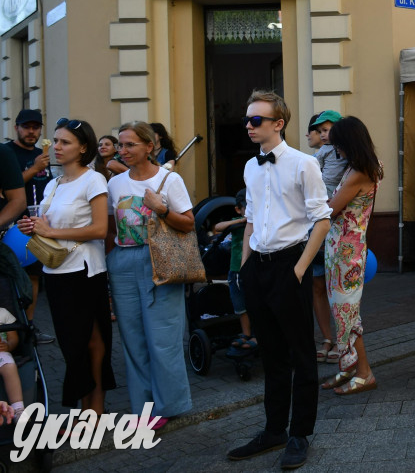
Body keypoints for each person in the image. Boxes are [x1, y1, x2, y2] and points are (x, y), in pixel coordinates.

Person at [227, 91, 331, 470]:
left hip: (291, 264)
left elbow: (322, 219)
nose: (250, 126)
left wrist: (301, 268)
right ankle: (274, 430)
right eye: (247, 121)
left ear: (278, 123)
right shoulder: (251, 168)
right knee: (271, 354)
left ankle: (299, 434)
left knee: (302, 353)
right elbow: (251, 217)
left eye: (256, 120)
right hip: (258, 267)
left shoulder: (304, 164)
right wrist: (244, 267)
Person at [17, 118, 114, 416]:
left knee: (91, 340)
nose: (56, 147)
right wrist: (32, 227)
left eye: (65, 142)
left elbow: (100, 229)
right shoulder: (53, 184)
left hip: (84, 271)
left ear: (83, 147)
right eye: (56, 141)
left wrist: (51, 233)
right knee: (72, 345)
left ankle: (94, 410)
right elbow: (48, 227)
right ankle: (85, 410)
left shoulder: (93, 179)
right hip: (54, 271)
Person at [106, 121, 194, 428]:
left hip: (159, 259)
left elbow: (188, 223)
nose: (123, 150)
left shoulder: (170, 180)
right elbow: (109, 229)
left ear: (149, 147)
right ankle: (142, 407)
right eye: (120, 144)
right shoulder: (115, 184)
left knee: (163, 335)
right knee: (132, 338)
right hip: (123, 261)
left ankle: (167, 405)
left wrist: (160, 209)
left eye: (130, 144)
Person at [319, 117, 381, 396]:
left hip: (347, 251)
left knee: (347, 314)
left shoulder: (360, 172)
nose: (336, 151)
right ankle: (348, 367)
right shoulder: (362, 167)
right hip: (340, 248)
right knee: (341, 311)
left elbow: (331, 209)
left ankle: (365, 372)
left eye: (338, 146)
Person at [5, 108, 55, 343]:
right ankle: (11, 326)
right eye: (27, 127)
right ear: (16, 128)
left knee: (34, 278)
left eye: (36, 127)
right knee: (12, 276)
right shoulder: (7, 153)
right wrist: (34, 169)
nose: (31, 131)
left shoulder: (42, 154)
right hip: (12, 226)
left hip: (38, 226)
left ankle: (30, 325)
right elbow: (9, 188)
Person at [311, 110, 345, 364]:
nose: (323, 135)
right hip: (317, 222)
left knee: (340, 289)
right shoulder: (320, 154)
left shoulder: (351, 155)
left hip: (341, 227)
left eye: (327, 129)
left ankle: (344, 341)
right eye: (320, 131)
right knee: (317, 285)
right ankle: (327, 338)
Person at [213, 190, 253, 352]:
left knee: (254, 304)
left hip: (252, 270)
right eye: (247, 208)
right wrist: (238, 222)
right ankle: (246, 334)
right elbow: (217, 227)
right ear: (239, 209)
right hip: (236, 270)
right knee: (240, 306)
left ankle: (256, 335)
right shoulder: (238, 222)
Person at [0, 306, 24, 420]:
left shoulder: (3, 313)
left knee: (9, 366)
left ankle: (18, 409)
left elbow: (13, 338)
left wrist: (8, 345)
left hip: (1, 352)